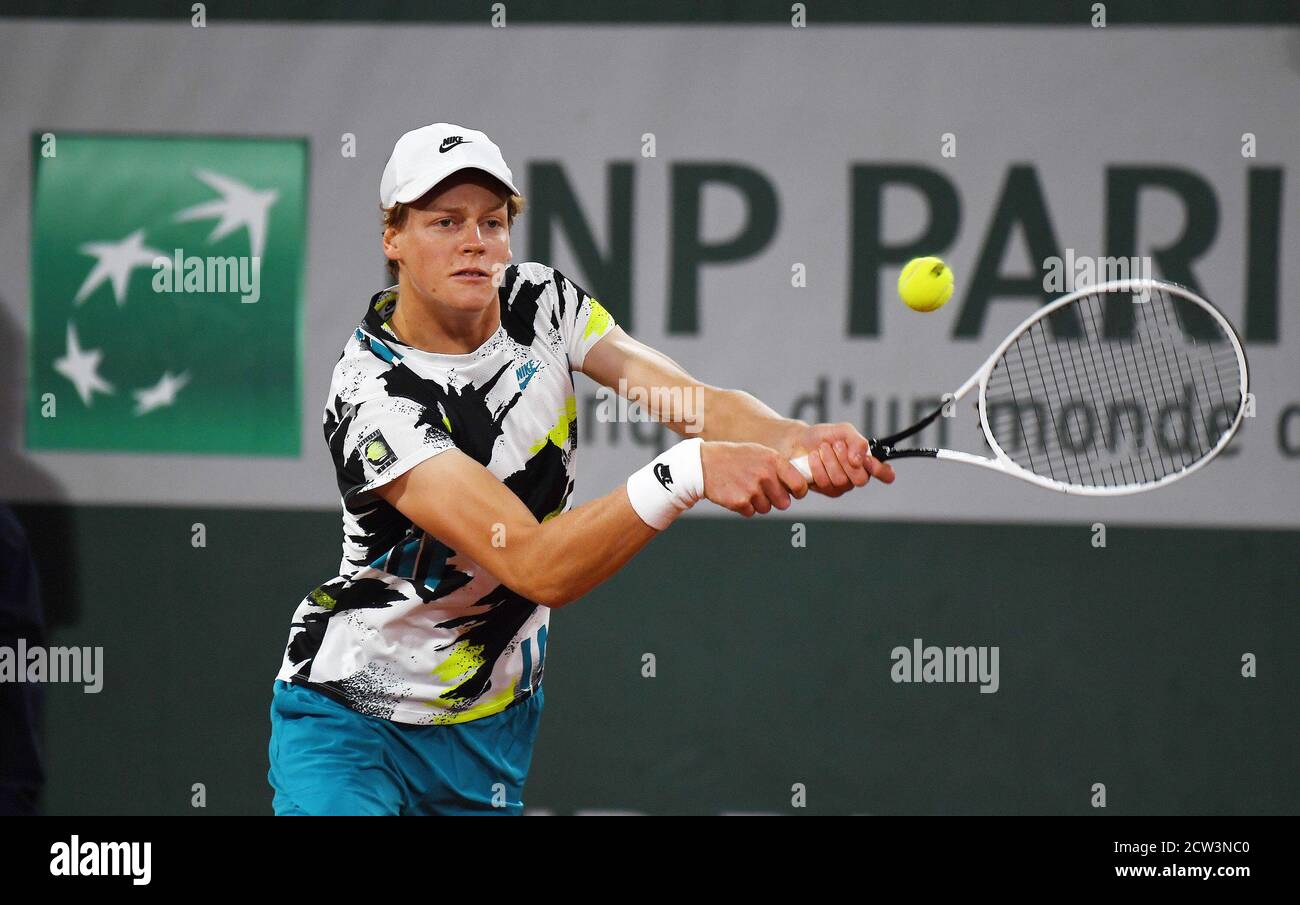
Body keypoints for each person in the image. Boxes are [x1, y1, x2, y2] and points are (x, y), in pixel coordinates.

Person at [267, 122, 894, 816]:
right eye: (445, 222)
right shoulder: (373, 396)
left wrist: (798, 436)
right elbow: (534, 565)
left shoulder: (543, 304)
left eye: (493, 221)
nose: (475, 240)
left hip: (488, 733)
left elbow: (689, 401)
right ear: (394, 240)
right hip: (354, 721)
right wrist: (684, 473)